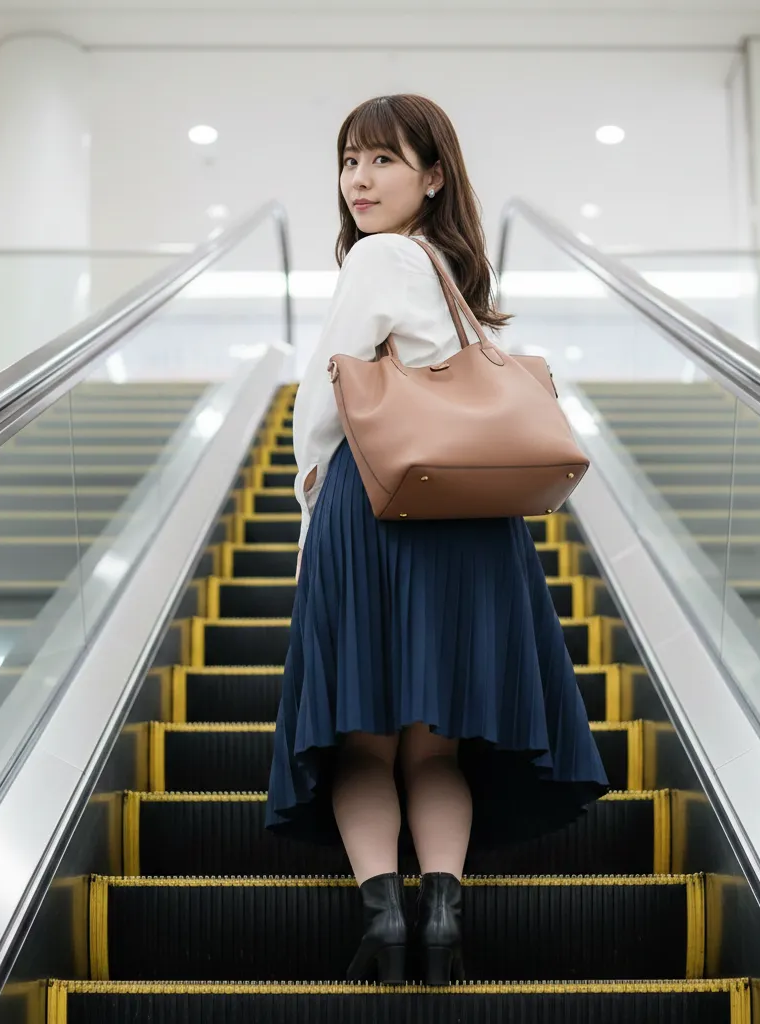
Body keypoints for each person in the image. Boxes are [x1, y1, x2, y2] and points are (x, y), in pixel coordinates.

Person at [265, 94, 609, 986]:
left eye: (382, 160)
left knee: (364, 744)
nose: (358, 181)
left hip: (376, 513)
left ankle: (385, 914)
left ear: (433, 174)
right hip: (468, 526)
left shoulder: (378, 257)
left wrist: (310, 496)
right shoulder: (456, 277)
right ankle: (445, 911)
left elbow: (328, 394)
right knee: (437, 746)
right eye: (349, 161)